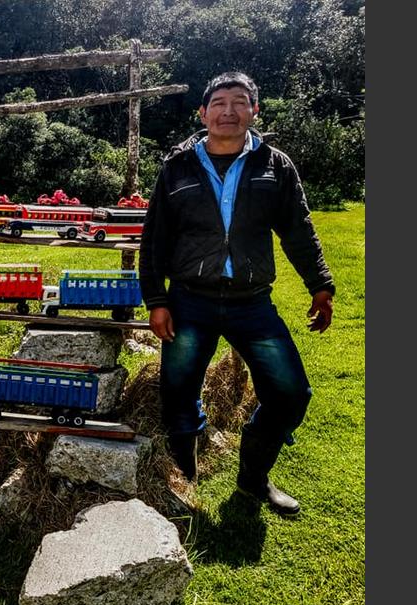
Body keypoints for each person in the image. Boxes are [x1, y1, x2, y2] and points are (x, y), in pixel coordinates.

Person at [138, 71, 335, 516]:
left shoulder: (275, 165)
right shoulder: (177, 168)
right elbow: (155, 241)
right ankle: (183, 479)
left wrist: (320, 285)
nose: (229, 111)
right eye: (219, 102)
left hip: (252, 303)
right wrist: (157, 300)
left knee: (290, 394)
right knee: (178, 391)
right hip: (190, 300)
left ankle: (253, 480)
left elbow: (299, 231)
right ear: (203, 112)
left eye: (240, 101)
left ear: (254, 110)